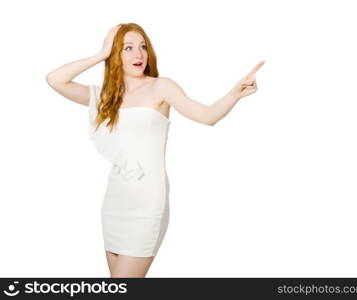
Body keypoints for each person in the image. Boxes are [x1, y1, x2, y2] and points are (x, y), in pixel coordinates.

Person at [46, 22, 264, 278]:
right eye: (127, 48)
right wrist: (100, 54)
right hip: (116, 201)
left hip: (147, 202)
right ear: (115, 54)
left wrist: (234, 94)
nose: (138, 54)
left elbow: (207, 116)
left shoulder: (162, 87)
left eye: (142, 47)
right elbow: (55, 79)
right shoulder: (104, 96)